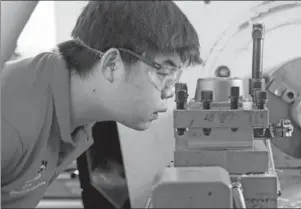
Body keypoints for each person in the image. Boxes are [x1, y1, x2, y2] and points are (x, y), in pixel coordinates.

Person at [1, 1, 202, 208]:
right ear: (111, 64)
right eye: (164, 73)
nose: (169, 91)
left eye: (174, 77)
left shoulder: (78, 113)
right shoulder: (11, 123)